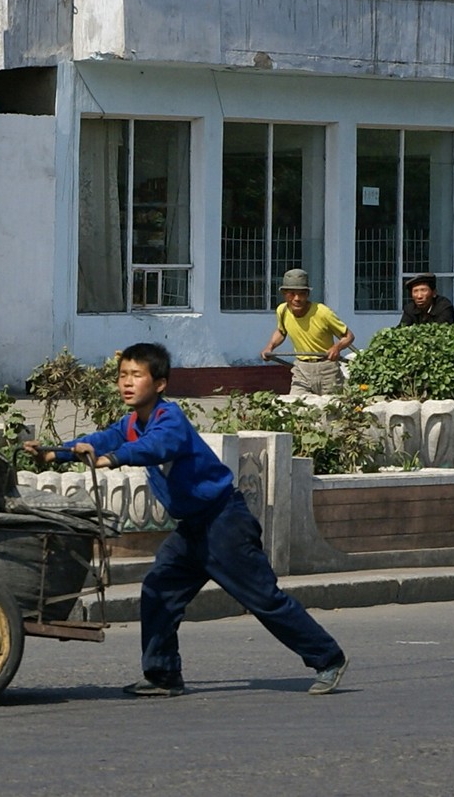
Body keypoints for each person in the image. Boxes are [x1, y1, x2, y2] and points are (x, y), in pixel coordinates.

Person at [22, 342, 348, 696]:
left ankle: (328, 658)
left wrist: (112, 459)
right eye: (122, 376)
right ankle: (163, 675)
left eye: (136, 375)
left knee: (263, 599)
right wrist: (56, 452)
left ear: (160, 384)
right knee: (159, 590)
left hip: (224, 522)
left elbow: (155, 448)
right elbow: (99, 440)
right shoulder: (131, 423)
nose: (126, 383)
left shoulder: (169, 419)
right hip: (192, 529)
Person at [260, 268, 354, 395]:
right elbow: (281, 332)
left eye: (302, 294)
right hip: (301, 369)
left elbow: (348, 336)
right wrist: (269, 347)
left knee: (331, 409)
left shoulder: (322, 312)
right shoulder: (282, 311)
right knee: (296, 407)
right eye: (292, 293)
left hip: (327, 369)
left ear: (307, 294)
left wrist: (337, 348)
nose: (297, 298)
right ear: (284, 294)